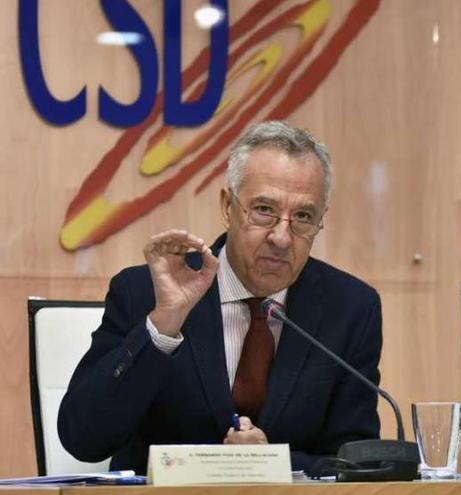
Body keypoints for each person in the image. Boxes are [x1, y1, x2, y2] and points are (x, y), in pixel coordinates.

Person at [59, 121, 382, 475]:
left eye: (303, 216)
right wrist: (162, 327)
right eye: (263, 209)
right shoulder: (144, 293)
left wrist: (271, 462)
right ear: (228, 205)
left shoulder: (349, 308)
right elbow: (83, 439)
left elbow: (355, 461)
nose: (281, 237)